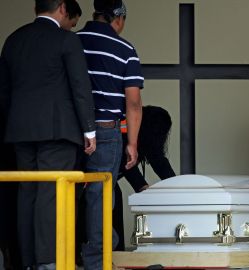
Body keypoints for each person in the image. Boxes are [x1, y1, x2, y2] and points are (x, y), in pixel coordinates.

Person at [0, 0, 96, 269]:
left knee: (27, 192)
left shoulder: (13, 40)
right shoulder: (66, 40)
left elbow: (4, 92)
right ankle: (48, 262)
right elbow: (80, 87)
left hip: (20, 130)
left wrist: (16, 122)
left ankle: (28, 261)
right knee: (50, 193)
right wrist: (89, 130)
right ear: (63, 8)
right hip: (58, 130)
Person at [77, 0, 143, 268]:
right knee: (100, 196)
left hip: (70, 132)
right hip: (105, 130)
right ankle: (97, 261)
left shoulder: (73, 41)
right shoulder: (125, 48)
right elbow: (134, 102)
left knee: (61, 190)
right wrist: (133, 143)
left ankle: (59, 255)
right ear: (118, 17)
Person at [114, 105, 176, 250]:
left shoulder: (146, 140)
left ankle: (115, 254)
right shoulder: (125, 133)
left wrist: (175, 185)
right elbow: (126, 164)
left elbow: (158, 161)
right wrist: (142, 187)